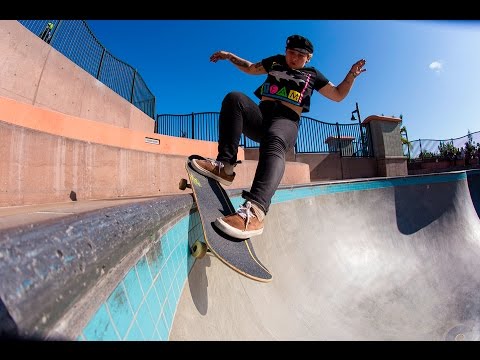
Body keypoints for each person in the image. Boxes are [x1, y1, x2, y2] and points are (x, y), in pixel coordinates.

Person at [192, 34, 366, 240]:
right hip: (261, 117)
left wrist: (351, 76)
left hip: (286, 122)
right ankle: (225, 166)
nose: (294, 58)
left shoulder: (313, 75)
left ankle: (255, 211)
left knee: (275, 138)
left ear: (308, 57)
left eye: (300, 55)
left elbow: (337, 94)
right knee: (234, 99)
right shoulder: (275, 62)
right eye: (291, 52)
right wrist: (229, 56)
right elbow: (250, 67)